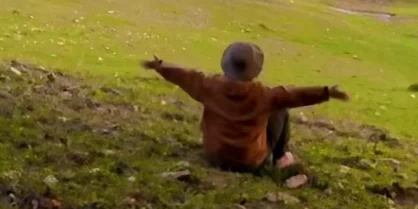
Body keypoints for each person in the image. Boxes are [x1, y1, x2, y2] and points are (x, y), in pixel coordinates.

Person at [143, 41, 348, 174]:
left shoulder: (209, 85)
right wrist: (327, 92)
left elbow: (184, 76)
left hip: (214, 155)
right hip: (249, 161)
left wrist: (160, 66)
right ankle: (280, 157)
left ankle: (276, 156)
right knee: (281, 109)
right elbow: (295, 96)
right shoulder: (264, 95)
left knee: (278, 104)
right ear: (254, 70)